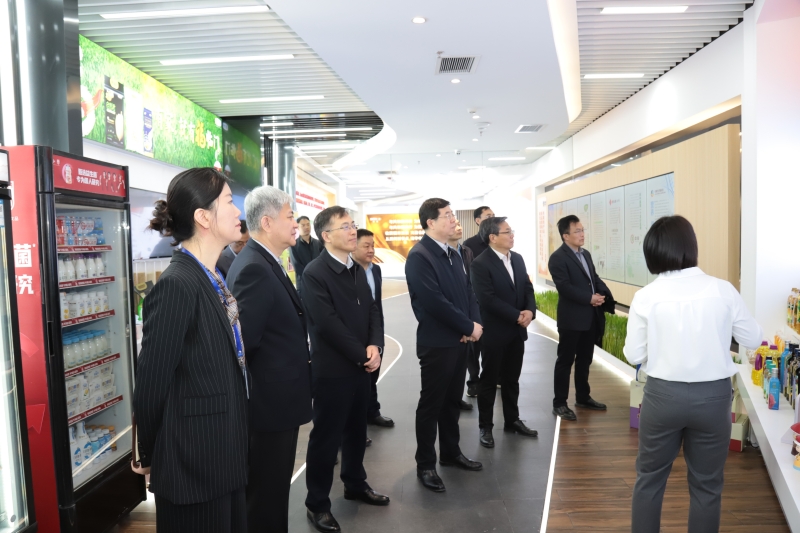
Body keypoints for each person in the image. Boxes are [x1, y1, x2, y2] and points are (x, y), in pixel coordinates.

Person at [624, 216, 762, 533]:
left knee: (649, 479)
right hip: (713, 398)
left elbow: (634, 355)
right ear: (691, 246)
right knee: (707, 486)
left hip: (662, 397)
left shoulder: (647, 296)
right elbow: (753, 338)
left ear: (653, 252)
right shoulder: (723, 290)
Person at [133, 168, 249, 533]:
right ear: (203, 217)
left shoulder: (211, 278)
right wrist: (149, 453)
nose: (238, 212)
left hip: (223, 454)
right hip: (193, 465)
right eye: (229, 202)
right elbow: (151, 384)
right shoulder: (178, 285)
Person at [226, 186, 313, 533]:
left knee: (273, 492)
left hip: (276, 403)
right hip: (268, 405)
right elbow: (244, 343)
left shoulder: (263, 261)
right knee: (265, 496)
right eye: (290, 216)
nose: (296, 224)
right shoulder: (255, 268)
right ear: (266, 222)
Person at [303, 207, 389, 533]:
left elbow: (373, 310)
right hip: (333, 371)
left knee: (356, 431)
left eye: (353, 225)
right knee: (326, 439)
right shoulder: (315, 273)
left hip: (361, 367)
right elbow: (327, 324)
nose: (353, 231)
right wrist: (362, 353)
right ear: (326, 235)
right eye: (345, 227)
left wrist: (375, 345)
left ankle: (355, 483)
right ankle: (317, 504)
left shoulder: (356, 267)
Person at [406, 198, 483, 493]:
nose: (454, 220)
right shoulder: (420, 256)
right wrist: (467, 327)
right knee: (431, 404)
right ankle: (425, 464)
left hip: (460, 340)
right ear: (431, 222)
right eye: (448, 215)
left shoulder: (454, 253)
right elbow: (433, 302)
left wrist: (474, 325)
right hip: (437, 343)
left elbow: (468, 292)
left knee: (452, 402)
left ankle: (451, 452)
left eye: (453, 214)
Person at [470, 217, 538, 448]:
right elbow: (487, 300)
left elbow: (527, 288)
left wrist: (530, 311)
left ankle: (512, 420)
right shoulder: (480, 264)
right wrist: (517, 315)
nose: (512, 235)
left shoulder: (517, 258)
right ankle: (485, 427)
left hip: (517, 332)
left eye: (511, 231)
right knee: (489, 381)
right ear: (492, 237)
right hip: (495, 332)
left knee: (512, 379)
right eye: (507, 232)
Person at [548, 215, 614, 421]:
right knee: (565, 361)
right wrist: (589, 298)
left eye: (582, 230)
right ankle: (559, 403)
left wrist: (602, 294)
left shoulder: (585, 254)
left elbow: (593, 278)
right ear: (565, 235)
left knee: (585, 359)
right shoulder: (558, 258)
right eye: (577, 231)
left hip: (590, 317)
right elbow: (564, 287)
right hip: (572, 319)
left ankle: (583, 397)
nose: (582, 234)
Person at [352, 228, 394, 429]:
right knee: (359, 379)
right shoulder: (348, 272)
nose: (371, 250)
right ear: (354, 247)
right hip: (357, 333)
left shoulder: (375, 270)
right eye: (366, 246)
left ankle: (372, 412)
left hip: (376, 331)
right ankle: (357, 423)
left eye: (373, 246)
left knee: (373, 373)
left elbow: (376, 305)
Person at [446, 219, 477, 410]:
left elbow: (470, 282)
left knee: (467, 355)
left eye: (459, 224)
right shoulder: (441, 254)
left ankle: (457, 397)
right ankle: (451, 399)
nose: (459, 227)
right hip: (454, 314)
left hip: (469, 305)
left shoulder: (466, 251)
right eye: (454, 224)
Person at [289, 215, 323, 294]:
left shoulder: (318, 243)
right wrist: (311, 277)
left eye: (308, 224)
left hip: (319, 282)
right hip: (303, 283)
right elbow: (297, 266)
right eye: (303, 225)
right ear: (298, 227)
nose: (306, 227)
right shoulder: (293, 245)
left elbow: (323, 261)